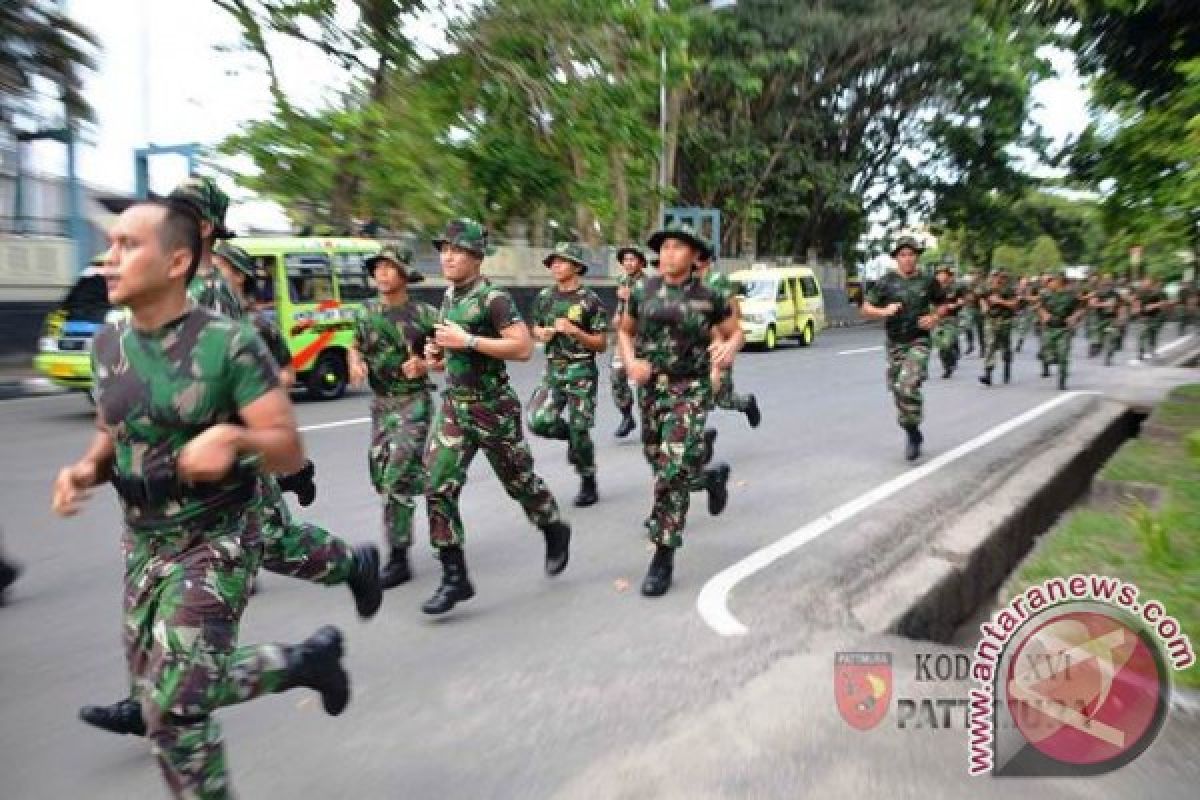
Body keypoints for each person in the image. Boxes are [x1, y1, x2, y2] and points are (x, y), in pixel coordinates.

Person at [51, 198, 352, 798]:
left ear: (177, 261)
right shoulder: (107, 346)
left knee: (175, 711)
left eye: (127, 245)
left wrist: (235, 436)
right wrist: (85, 469)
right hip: (143, 543)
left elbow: (287, 447)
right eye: (110, 245)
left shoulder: (228, 344)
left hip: (215, 540)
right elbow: (114, 426)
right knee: (159, 702)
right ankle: (301, 662)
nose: (108, 260)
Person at [419, 219, 572, 615]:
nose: (448, 256)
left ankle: (553, 526)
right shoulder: (450, 296)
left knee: (519, 482)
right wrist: (437, 355)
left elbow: (522, 348)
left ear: (476, 257)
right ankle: (455, 576)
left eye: (457, 251)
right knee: (437, 484)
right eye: (444, 249)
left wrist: (467, 341)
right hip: (455, 405)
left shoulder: (494, 297)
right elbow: (450, 348)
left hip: (493, 407)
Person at [616, 223, 742, 597]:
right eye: (664, 247)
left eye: (677, 247)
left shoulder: (709, 295)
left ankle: (663, 554)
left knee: (670, 470)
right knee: (658, 461)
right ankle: (710, 478)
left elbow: (734, 331)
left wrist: (728, 350)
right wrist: (630, 362)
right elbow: (623, 331)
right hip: (651, 389)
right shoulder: (642, 290)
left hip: (690, 388)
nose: (668, 253)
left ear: (694, 255)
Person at [349, 246, 440, 587]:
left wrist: (426, 363)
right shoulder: (365, 312)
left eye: (389, 267)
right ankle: (437, 481)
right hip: (381, 405)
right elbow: (355, 345)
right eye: (378, 268)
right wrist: (355, 362)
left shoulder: (425, 314)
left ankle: (398, 557)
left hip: (413, 402)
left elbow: (445, 350)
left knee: (394, 479)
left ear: (403, 274)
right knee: (382, 477)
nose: (382, 274)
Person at [527, 242, 610, 507]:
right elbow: (534, 327)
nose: (555, 266)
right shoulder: (545, 297)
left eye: (561, 261)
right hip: (553, 369)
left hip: (581, 370)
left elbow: (601, 343)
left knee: (581, 429)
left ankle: (588, 480)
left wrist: (576, 332)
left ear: (576, 266)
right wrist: (540, 333)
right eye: (552, 262)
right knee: (537, 420)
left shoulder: (590, 300)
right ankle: (573, 441)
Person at [861, 236, 947, 461]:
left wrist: (934, 317)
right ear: (896, 258)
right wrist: (884, 311)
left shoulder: (928, 281)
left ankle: (913, 431)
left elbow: (943, 304)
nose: (907, 259)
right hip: (895, 344)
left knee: (907, 385)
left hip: (919, 340)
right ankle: (912, 430)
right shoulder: (885, 282)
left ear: (917, 256)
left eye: (911, 254)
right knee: (898, 390)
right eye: (903, 255)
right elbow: (866, 308)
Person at [611, 245, 648, 438]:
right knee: (617, 376)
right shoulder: (622, 281)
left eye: (632, 259)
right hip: (624, 338)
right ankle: (627, 416)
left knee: (644, 380)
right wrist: (617, 317)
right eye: (625, 260)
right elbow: (621, 306)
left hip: (643, 337)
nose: (628, 263)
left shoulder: (649, 284)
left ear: (641, 262)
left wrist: (631, 297)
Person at [1037, 272, 1085, 390]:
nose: (1050, 283)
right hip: (1049, 329)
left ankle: (1062, 380)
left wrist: (1074, 317)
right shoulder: (1046, 295)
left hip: (1063, 329)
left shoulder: (1071, 296)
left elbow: (1082, 308)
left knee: (1063, 355)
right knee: (1047, 355)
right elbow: (1039, 307)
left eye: (1052, 281)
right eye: (1050, 281)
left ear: (1060, 282)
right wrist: (1044, 314)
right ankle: (1049, 359)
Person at [978, 270, 1019, 386]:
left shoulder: (1009, 289)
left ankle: (1007, 367)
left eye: (999, 277)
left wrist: (1000, 301)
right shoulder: (987, 288)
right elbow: (981, 298)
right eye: (994, 276)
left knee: (1005, 347)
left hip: (1005, 321)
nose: (996, 279)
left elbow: (1015, 304)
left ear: (1003, 278)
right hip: (990, 320)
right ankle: (988, 374)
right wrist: (984, 306)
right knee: (990, 345)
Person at [932, 266, 964, 379]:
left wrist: (953, 306)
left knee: (947, 342)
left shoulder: (955, 288)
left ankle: (952, 357)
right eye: (939, 274)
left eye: (943, 274)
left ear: (948, 275)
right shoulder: (932, 288)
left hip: (951, 319)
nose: (941, 276)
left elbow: (961, 302)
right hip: (937, 319)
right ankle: (947, 367)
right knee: (941, 345)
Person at [1133, 276, 1169, 360]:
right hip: (1143, 316)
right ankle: (1141, 352)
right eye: (1145, 283)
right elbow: (1136, 302)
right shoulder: (1140, 293)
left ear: (1151, 284)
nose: (1146, 285)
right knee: (1142, 334)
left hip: (1154, 316)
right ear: (1143, 284)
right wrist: (1137, 309)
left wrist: (1154, 305)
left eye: (1148, 283)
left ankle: (1152, 349)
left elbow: (1163, 303)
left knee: (1153, 334)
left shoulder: (1156, 292)